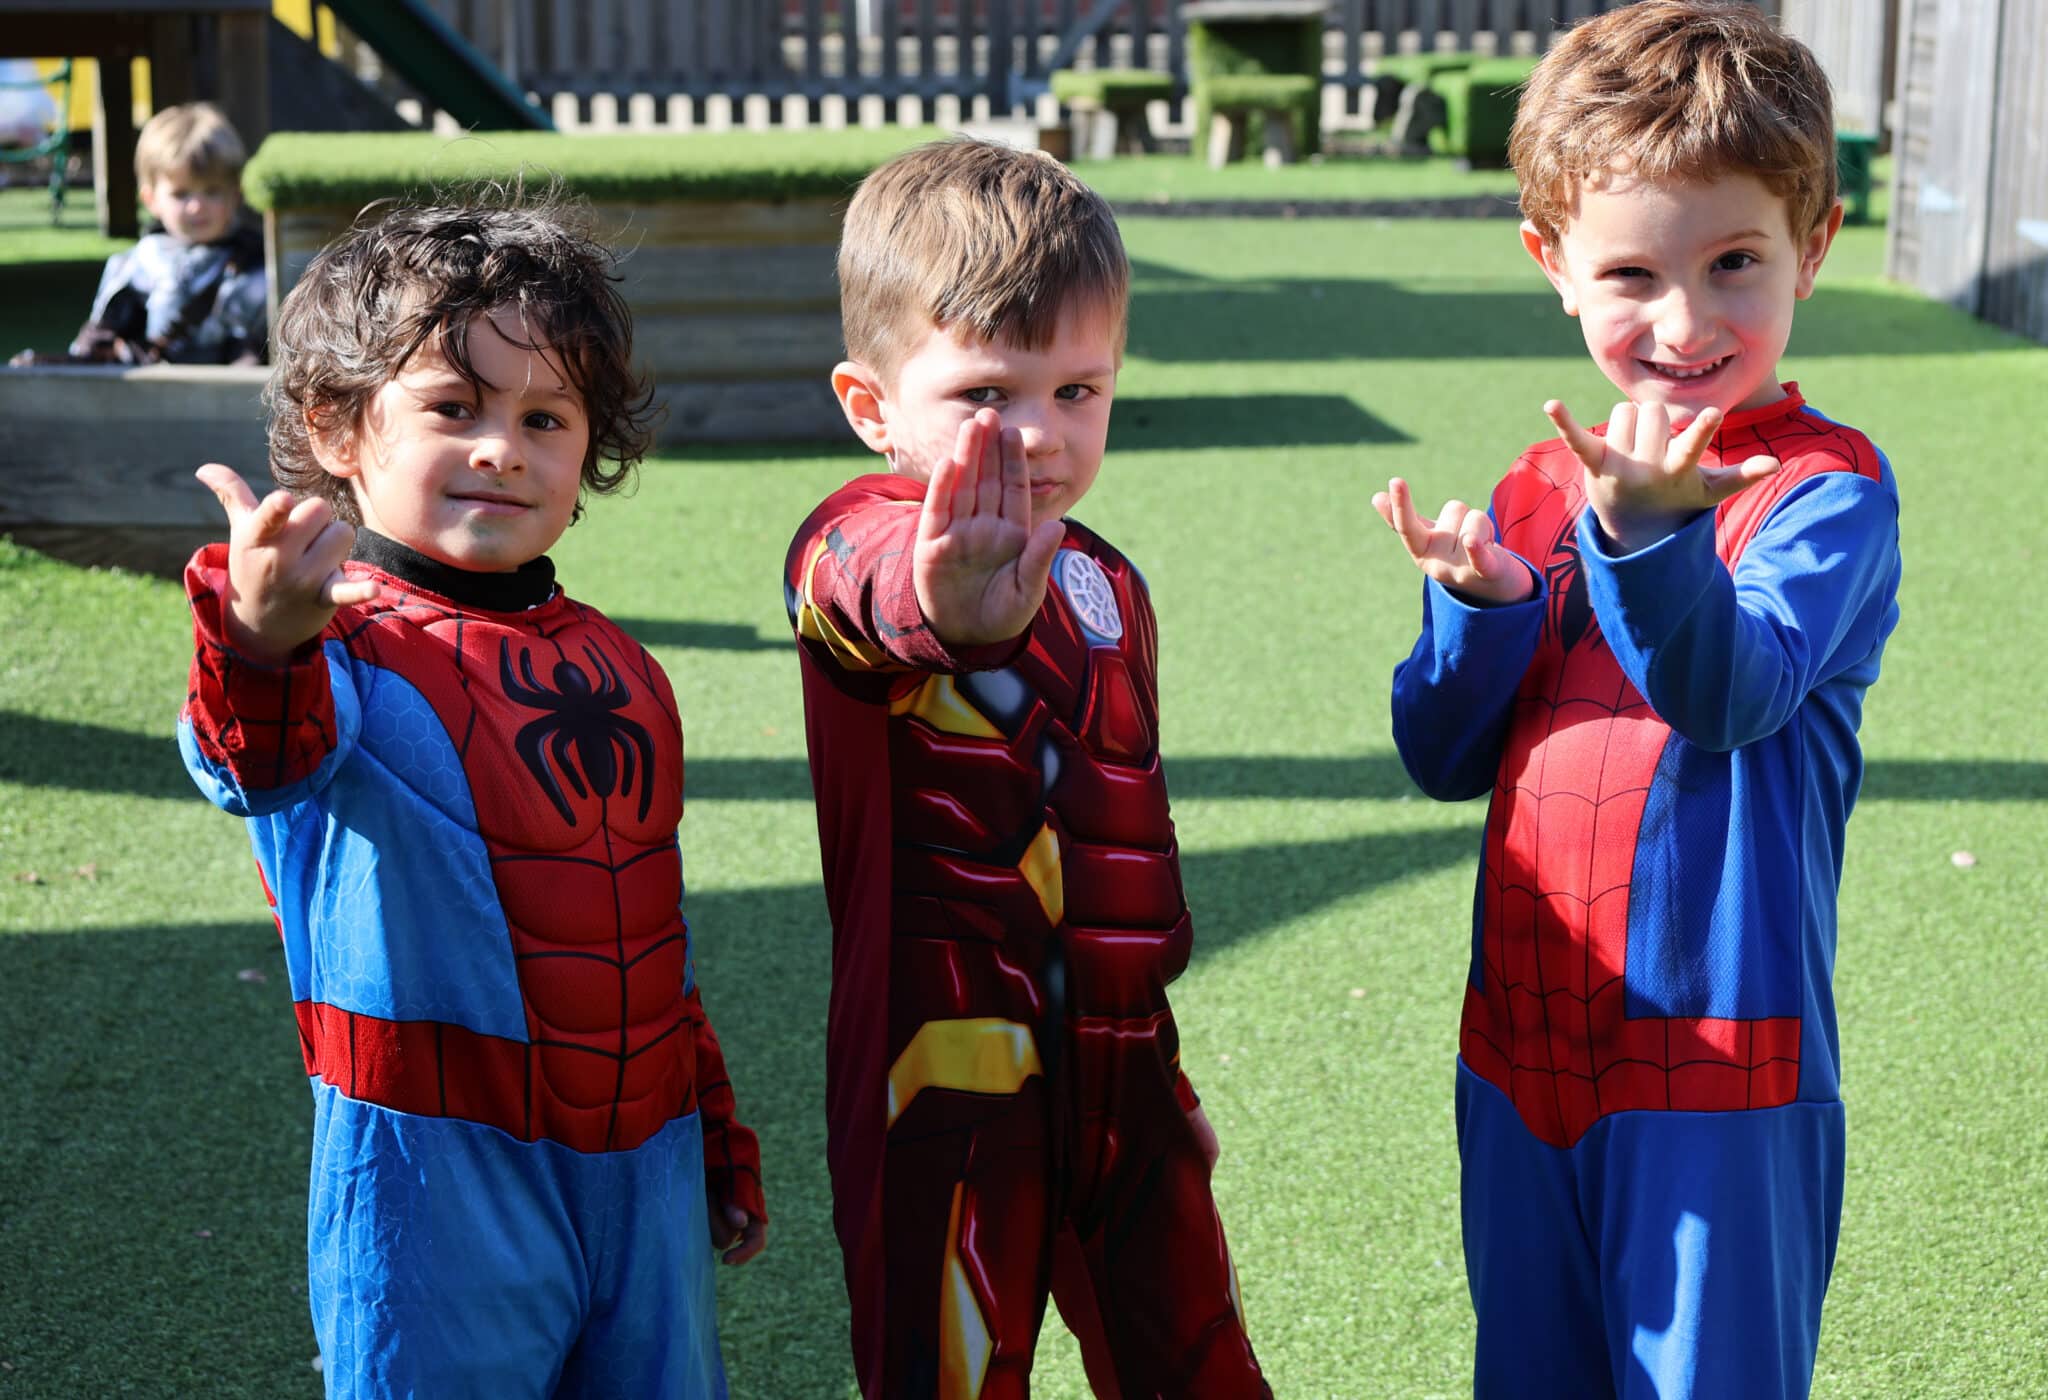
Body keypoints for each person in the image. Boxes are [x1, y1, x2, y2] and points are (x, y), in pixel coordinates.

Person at [1376, 3, 1901, 1396]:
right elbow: (1439, 754)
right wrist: (1477, 610)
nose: (1685, 322)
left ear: (1816, 246)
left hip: (1724, 1068)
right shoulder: (1537, 488)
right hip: (1524, 1047)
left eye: (1735, 262)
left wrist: (1656, 535)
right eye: (1631, 274)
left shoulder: (1825, 494)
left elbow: (1728, 694)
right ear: (1553, 265)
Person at [176, 191, 766, 1398]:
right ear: (339, 426)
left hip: (642, 1159)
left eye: (545, 416)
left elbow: (648, 922)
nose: (502, 446)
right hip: (430, 1165)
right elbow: (250, 759)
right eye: (454, 408)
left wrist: (706, 1116)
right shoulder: (332, 647)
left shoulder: (623, 666)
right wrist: (254, 632)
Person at [783, 137, 1270, 1398]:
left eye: (1079, 390)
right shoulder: (856, 541)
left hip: (1122, 1078)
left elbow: (1125, 854)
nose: (1038, 435)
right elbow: (872, 601)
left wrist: (1159, 1080)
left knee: (1202, 1366)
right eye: (987, 394)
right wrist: (949, 605)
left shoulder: (1110, 583)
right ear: (871, 403)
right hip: (939, 1081)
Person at [11, 101, 266, 367]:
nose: (196, 206)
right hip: (145, 394)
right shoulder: (139, 262)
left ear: (236, 194)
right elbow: (98, 339)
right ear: (150, 198)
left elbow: (257, 354)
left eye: (212, 191)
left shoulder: (256, 266)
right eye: (181, 194)